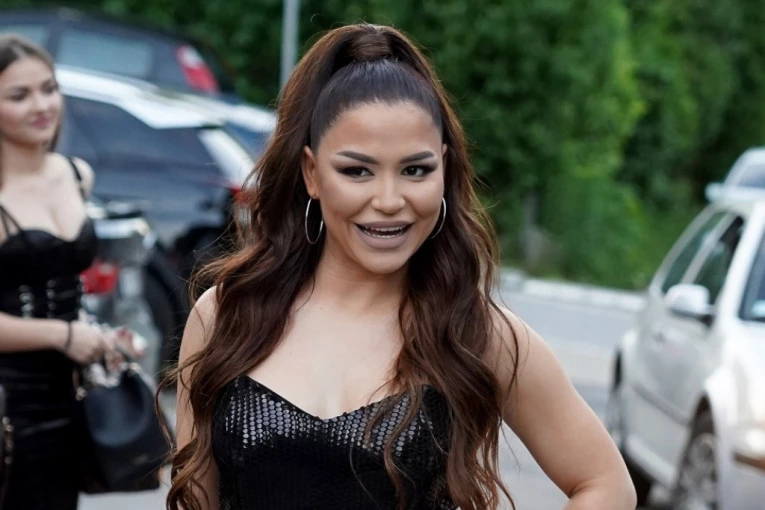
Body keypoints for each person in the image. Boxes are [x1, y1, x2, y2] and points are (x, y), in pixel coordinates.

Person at [166, 24, 637, 510]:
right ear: (312, 173)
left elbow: (606, 484)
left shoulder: (474, 332)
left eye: (415, 170)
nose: (389, 200)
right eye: (357, 171)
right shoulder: (226, 316)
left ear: (444, 170)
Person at [0, 34, 130, 509]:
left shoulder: (76, 174)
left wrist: (101, 338)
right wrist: (64, 335)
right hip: (8, 405)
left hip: (70, 397)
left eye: (49, 88)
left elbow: (71, 289)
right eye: (19, 95)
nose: (42, 106)